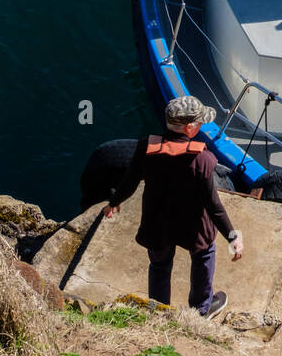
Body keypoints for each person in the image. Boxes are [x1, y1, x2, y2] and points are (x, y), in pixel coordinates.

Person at [103, 95, 243, 321]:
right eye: (199, 123)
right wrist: (232, 235)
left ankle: (158, 311)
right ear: (189, 128)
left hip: (158, 223)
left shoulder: (146, 148)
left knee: (159, 265)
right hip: (193, 225)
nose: (201, 126)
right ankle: (200, 310)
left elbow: (129, 180)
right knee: (204, 255)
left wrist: (114, 202)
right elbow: (213, 204)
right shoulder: (202, 159)